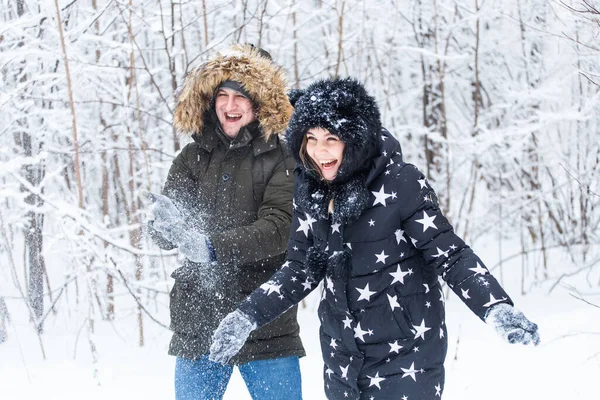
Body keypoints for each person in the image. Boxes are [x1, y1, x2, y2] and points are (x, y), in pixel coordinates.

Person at [209, 77, 540, 399]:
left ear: (353, 139)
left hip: (408, 356)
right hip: (342, 359)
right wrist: (246, 316)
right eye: (311, 139)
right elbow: (299, 269)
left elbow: (450, 255)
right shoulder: (310, 190)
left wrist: (495, 307)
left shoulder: (400, 183)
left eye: (331, 139)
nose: (320, 152)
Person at [147, 43, 305, 400]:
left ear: (260, 102)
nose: (230, 106)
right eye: (223, 95)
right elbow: (170, 227)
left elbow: (280, 227)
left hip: (265, 319)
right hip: (199, 316)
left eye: (241, 97)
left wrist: (210, 247)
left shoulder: (283, 157)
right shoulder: (192, 156)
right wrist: (162, 226)